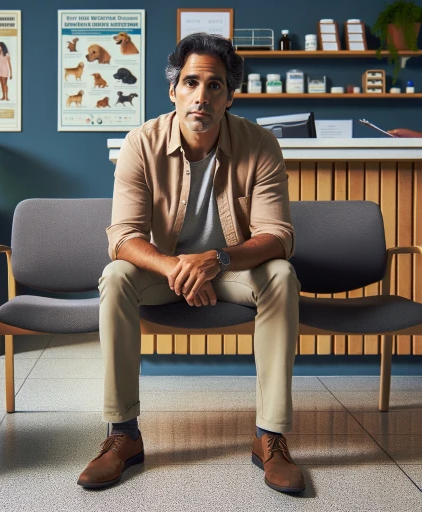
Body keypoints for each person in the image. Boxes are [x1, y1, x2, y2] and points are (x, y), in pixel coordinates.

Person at [77, 32, 305, 494]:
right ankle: (122, 434)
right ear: (173, 90)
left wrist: (216, 259)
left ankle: (270, 436)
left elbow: (278, 235)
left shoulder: (260, 145)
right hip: (168, 273)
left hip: (235, 270)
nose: (201, 96)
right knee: (116, 275)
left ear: (229, 96)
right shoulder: (140, 143)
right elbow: (122, 238)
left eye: (214, 86)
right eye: (191, 83)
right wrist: (177, 268)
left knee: (281, 275)